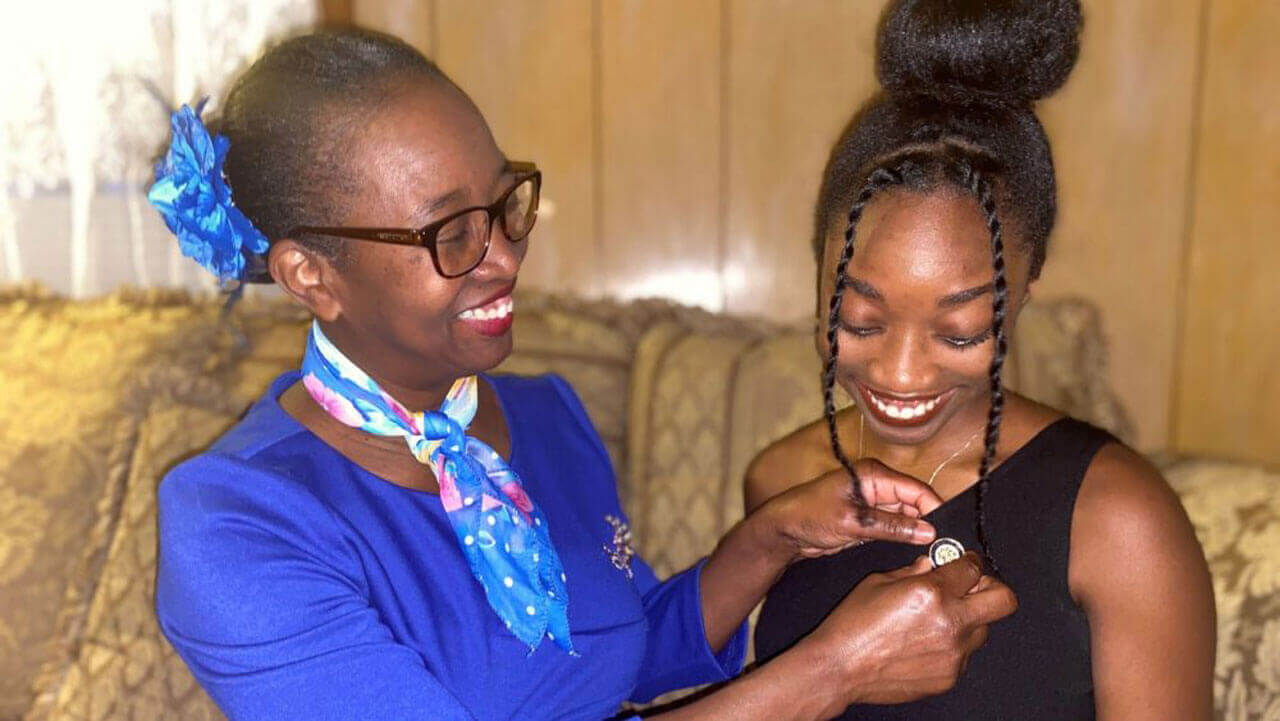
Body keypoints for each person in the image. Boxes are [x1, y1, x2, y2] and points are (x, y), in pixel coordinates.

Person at [149, 28, 1017, 721]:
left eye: (505, 203)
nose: (503, 256)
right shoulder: (236, 521)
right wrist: (835, 670)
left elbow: (625, 654)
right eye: (450, 234)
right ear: (311, 275)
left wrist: (773, 537)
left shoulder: (544, 417)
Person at [747, 1, 1215, 720]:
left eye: (959, 332)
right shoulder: (781, 482)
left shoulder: (1120, 522)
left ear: (1024, 292)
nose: (900, 374)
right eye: (859, 320)